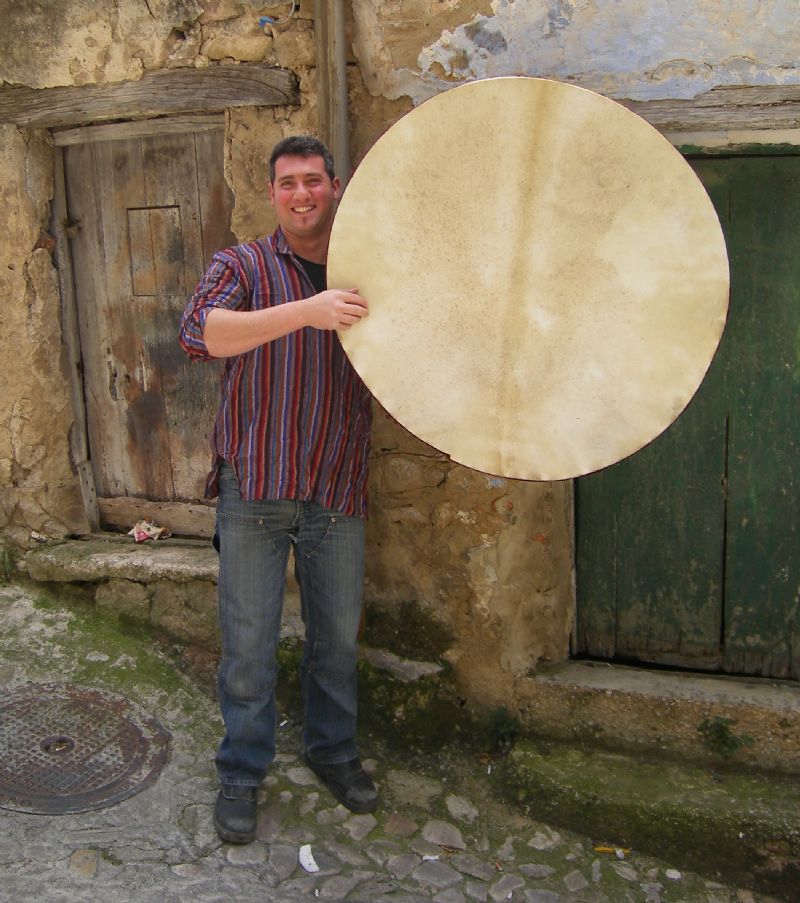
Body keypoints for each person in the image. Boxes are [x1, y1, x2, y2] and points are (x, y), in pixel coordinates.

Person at [178, 135, 377, 845]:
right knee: (250, 645)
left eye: (313, 181)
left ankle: (333, 752)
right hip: (256, 484)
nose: (301, 194)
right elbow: (202, 333)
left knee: (335, 644)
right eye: (288, 183)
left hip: (336, 481)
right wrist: (306, 310)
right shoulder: (243, 264)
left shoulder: (368, 272)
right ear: (273, 194)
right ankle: (241, 771)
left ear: (335, 187)